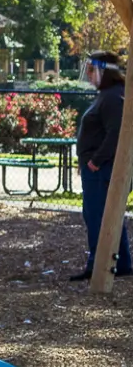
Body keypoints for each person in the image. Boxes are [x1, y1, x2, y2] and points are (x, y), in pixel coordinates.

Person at [74, 50, 132, 280]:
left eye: (91, 70)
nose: (88, 75)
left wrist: (95, 162)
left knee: (98, 216)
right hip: (96, 169)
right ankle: (121, 263)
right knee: (106, 216)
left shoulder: (112, 97)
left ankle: (98, 266)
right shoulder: (108, 95)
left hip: (102, 170)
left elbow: (115, 133)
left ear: (104, 72)